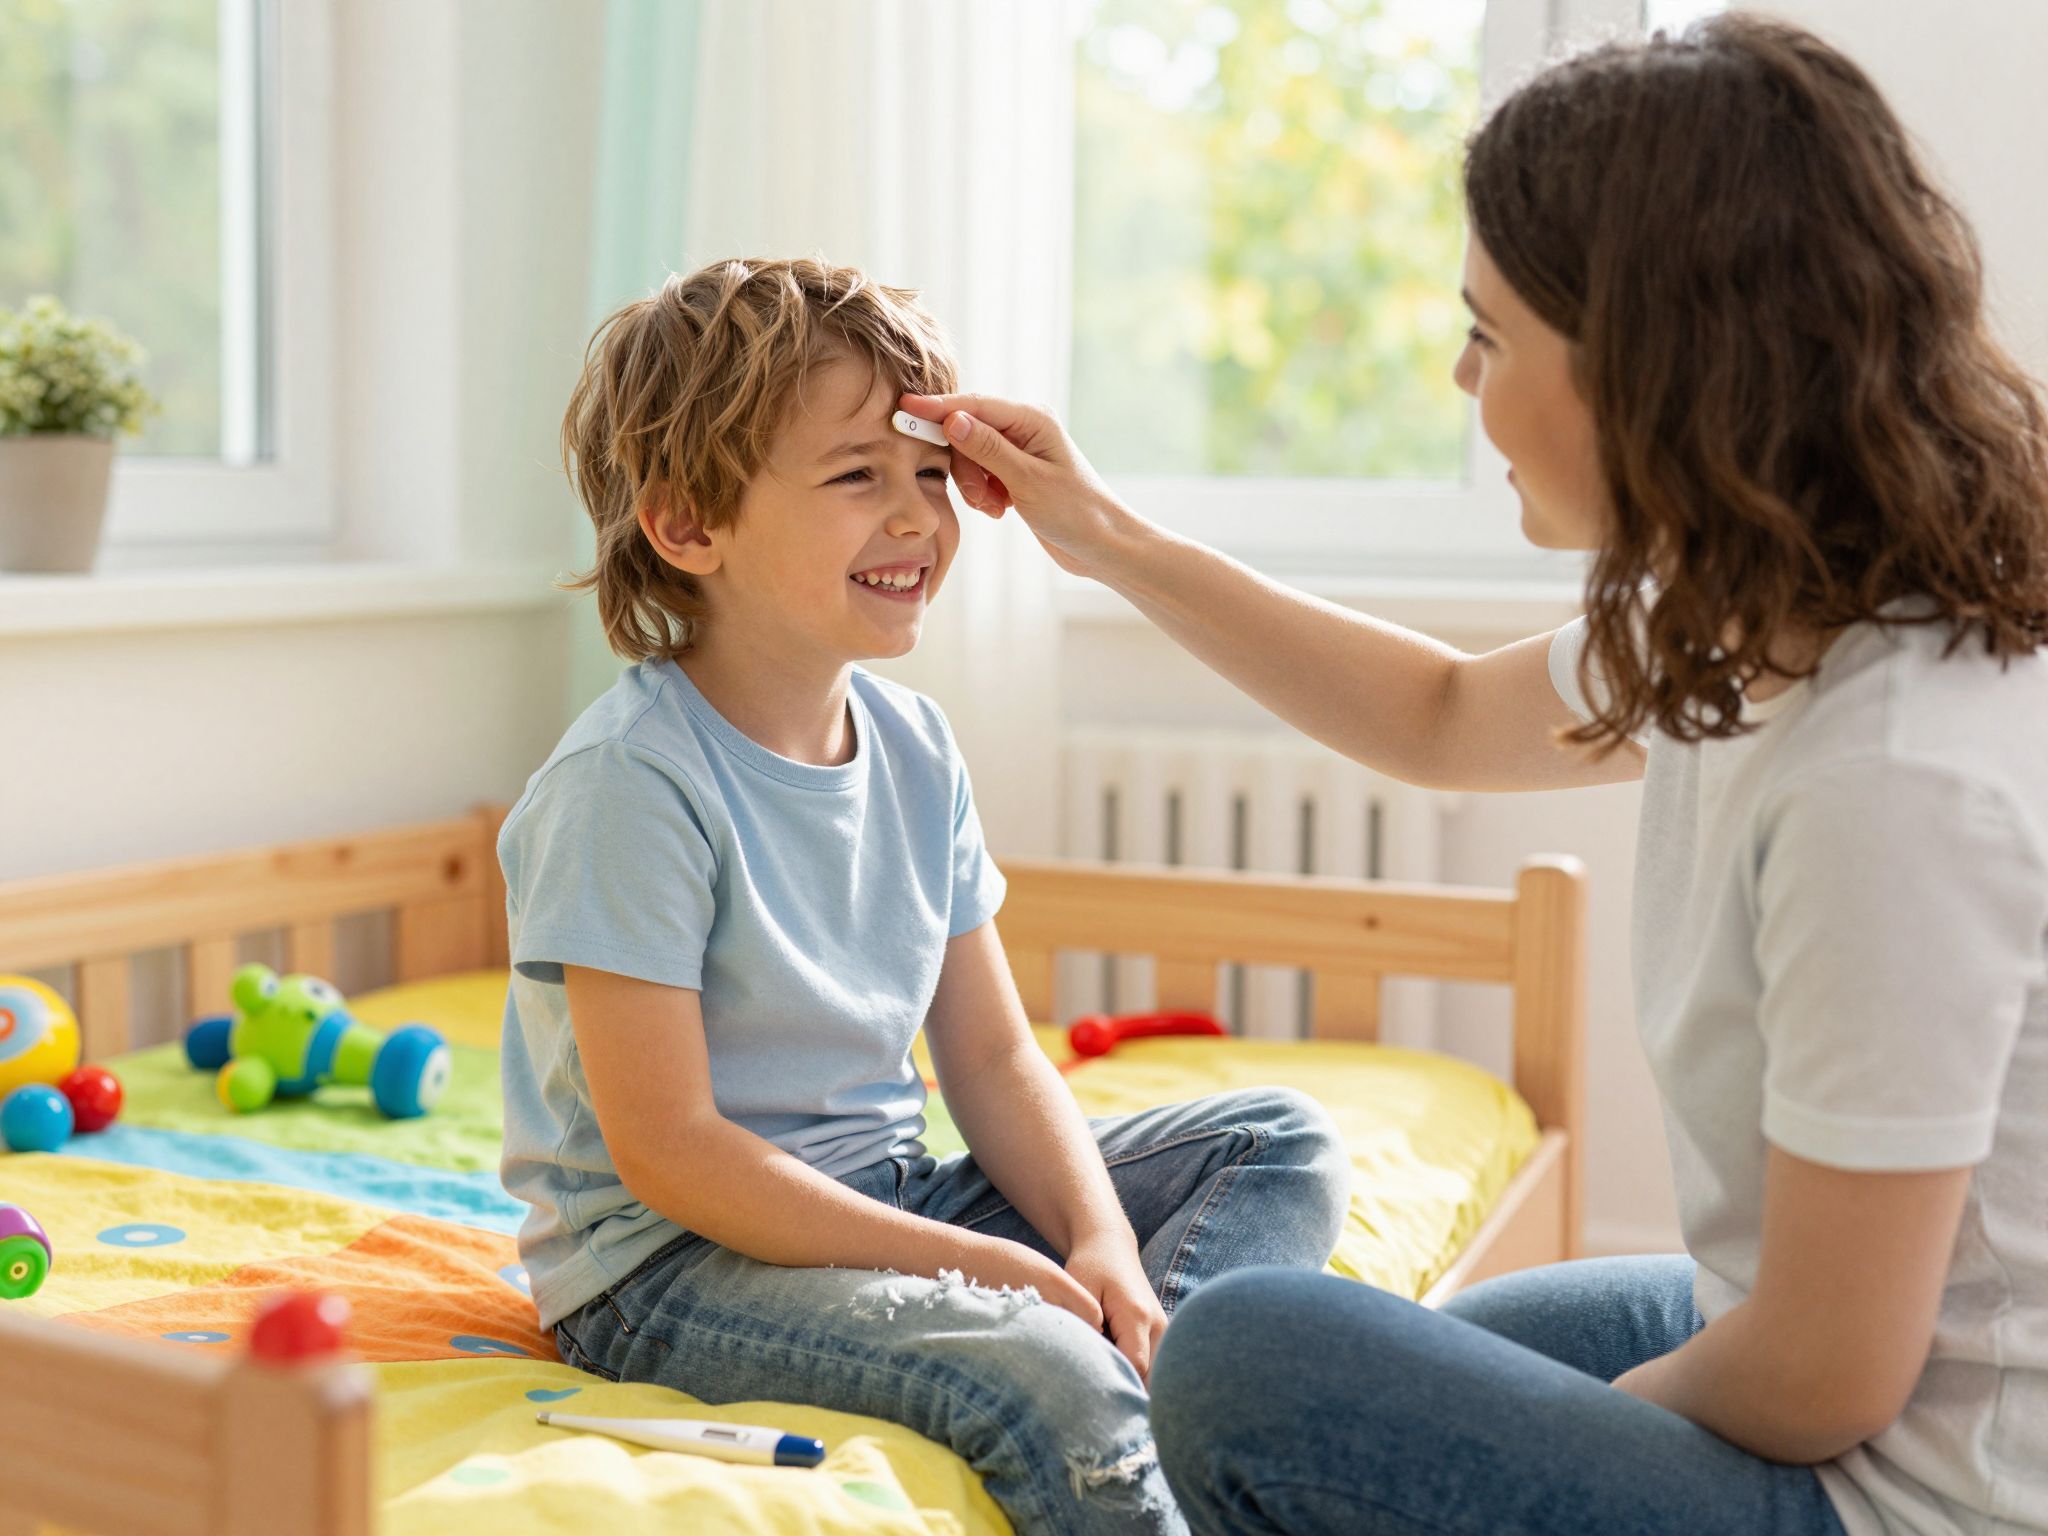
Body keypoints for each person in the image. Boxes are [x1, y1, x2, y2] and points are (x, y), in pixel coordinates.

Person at [904, 14, 2048, 1534]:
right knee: (1436, 1345)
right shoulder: (1740, 614)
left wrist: (1533, 1454)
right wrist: (1105, 535)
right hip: (1848, 1360)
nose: (1460, 373)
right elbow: (1437, 714)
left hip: (1916, 1491)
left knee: (1251, 1361)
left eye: (1492, 334)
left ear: (1647, 364)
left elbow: (1822, 1378)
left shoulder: (1892, 778)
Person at [495, 256, 1351, 1536]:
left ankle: (1146, 1368)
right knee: (1037, 1364)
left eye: (933, 477)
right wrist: (986, 1275)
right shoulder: (628, 785)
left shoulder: (916, 747)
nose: (918, 520)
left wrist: (1096, 1246)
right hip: (673, 1267)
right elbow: (667, 1152)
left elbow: (996, 1059)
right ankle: (1109, 1414)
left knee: (1278, 1145)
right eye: (858, 477)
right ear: (687, 526)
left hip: (887, 1200)